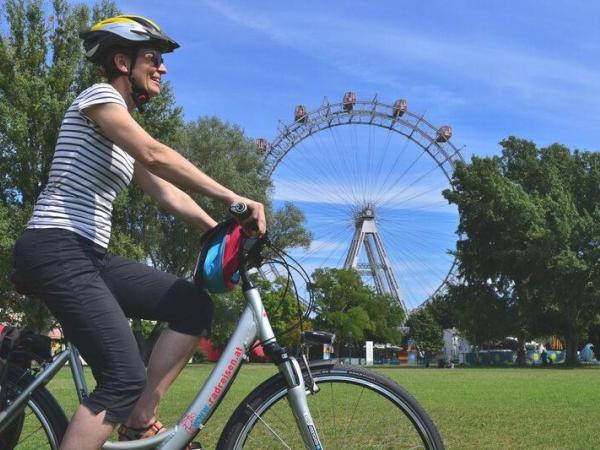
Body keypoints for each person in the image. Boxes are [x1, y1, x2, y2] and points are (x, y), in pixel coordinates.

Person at [10, 15, 265, 450]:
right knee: (124, 375)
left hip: (89, 255)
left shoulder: (118, 139)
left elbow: (167, 193)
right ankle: (128, 405)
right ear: (122, 62)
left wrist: (227, 234)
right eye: (154, 58)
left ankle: (139, 419)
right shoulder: (99, 98)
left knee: (191, 305)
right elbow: (155, 153)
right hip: (55, 245)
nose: (162, 68)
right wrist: (234, 201)